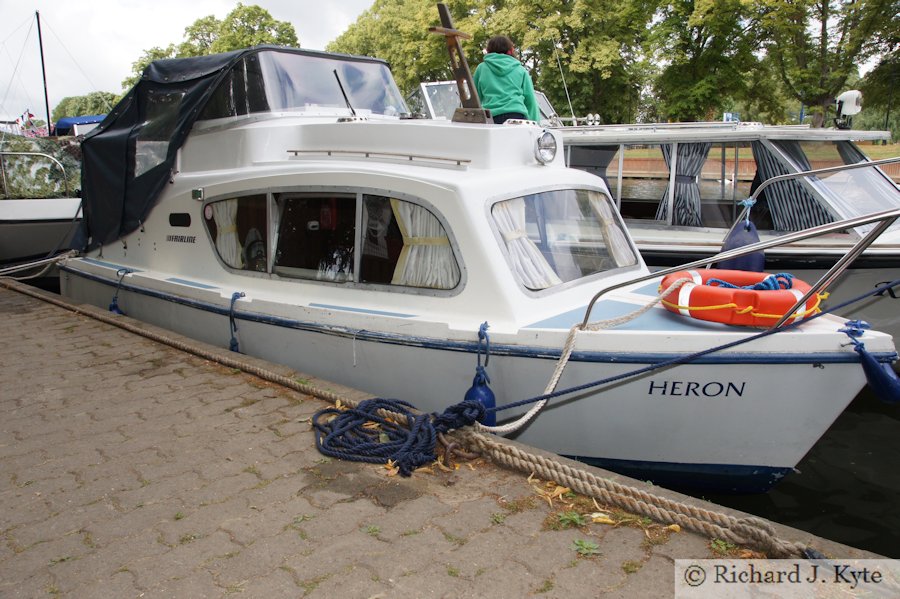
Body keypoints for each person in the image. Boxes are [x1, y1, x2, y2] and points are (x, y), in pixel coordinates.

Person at [473, 35, 541, 124]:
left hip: (491, 117)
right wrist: (536, 124)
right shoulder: (520, 70)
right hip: (517, 116)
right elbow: (530, 101)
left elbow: (475, 98)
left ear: (488, 50)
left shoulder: (481, 69)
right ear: (510, 50)